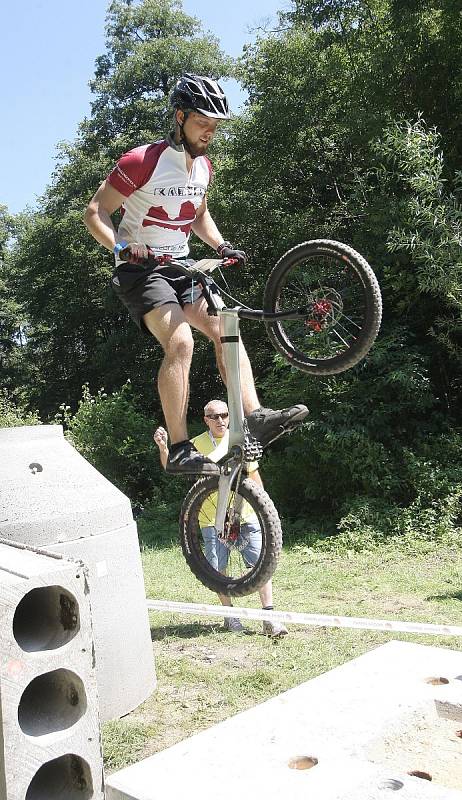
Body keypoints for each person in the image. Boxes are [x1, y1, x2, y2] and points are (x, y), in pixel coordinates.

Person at [84, 73, 308, 474]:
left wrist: (220, 246)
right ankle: (181, 446)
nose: (209, 132)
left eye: (215, 126)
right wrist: (121, 246)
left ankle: (254, 414)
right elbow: (95, 212)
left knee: (228, 327)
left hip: (183, 266)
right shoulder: (141, 161)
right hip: (142, 271)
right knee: (182, 343)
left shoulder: (203, 168)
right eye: (202, 122)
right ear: (180, 116)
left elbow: (199, 215)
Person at [154, 399, 289, 637]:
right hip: (211, 519)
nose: (221, 420)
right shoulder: (196, 444)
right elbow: (172, 468)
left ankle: (270, 618)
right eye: (215, 416)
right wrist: (164, 449)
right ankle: (230, 617)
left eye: (225, 415)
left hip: (244, 514)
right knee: (219, 570)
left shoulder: (238, 440)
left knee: (263, 563)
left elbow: (253, 473)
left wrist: (265, 510)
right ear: (206, 419)